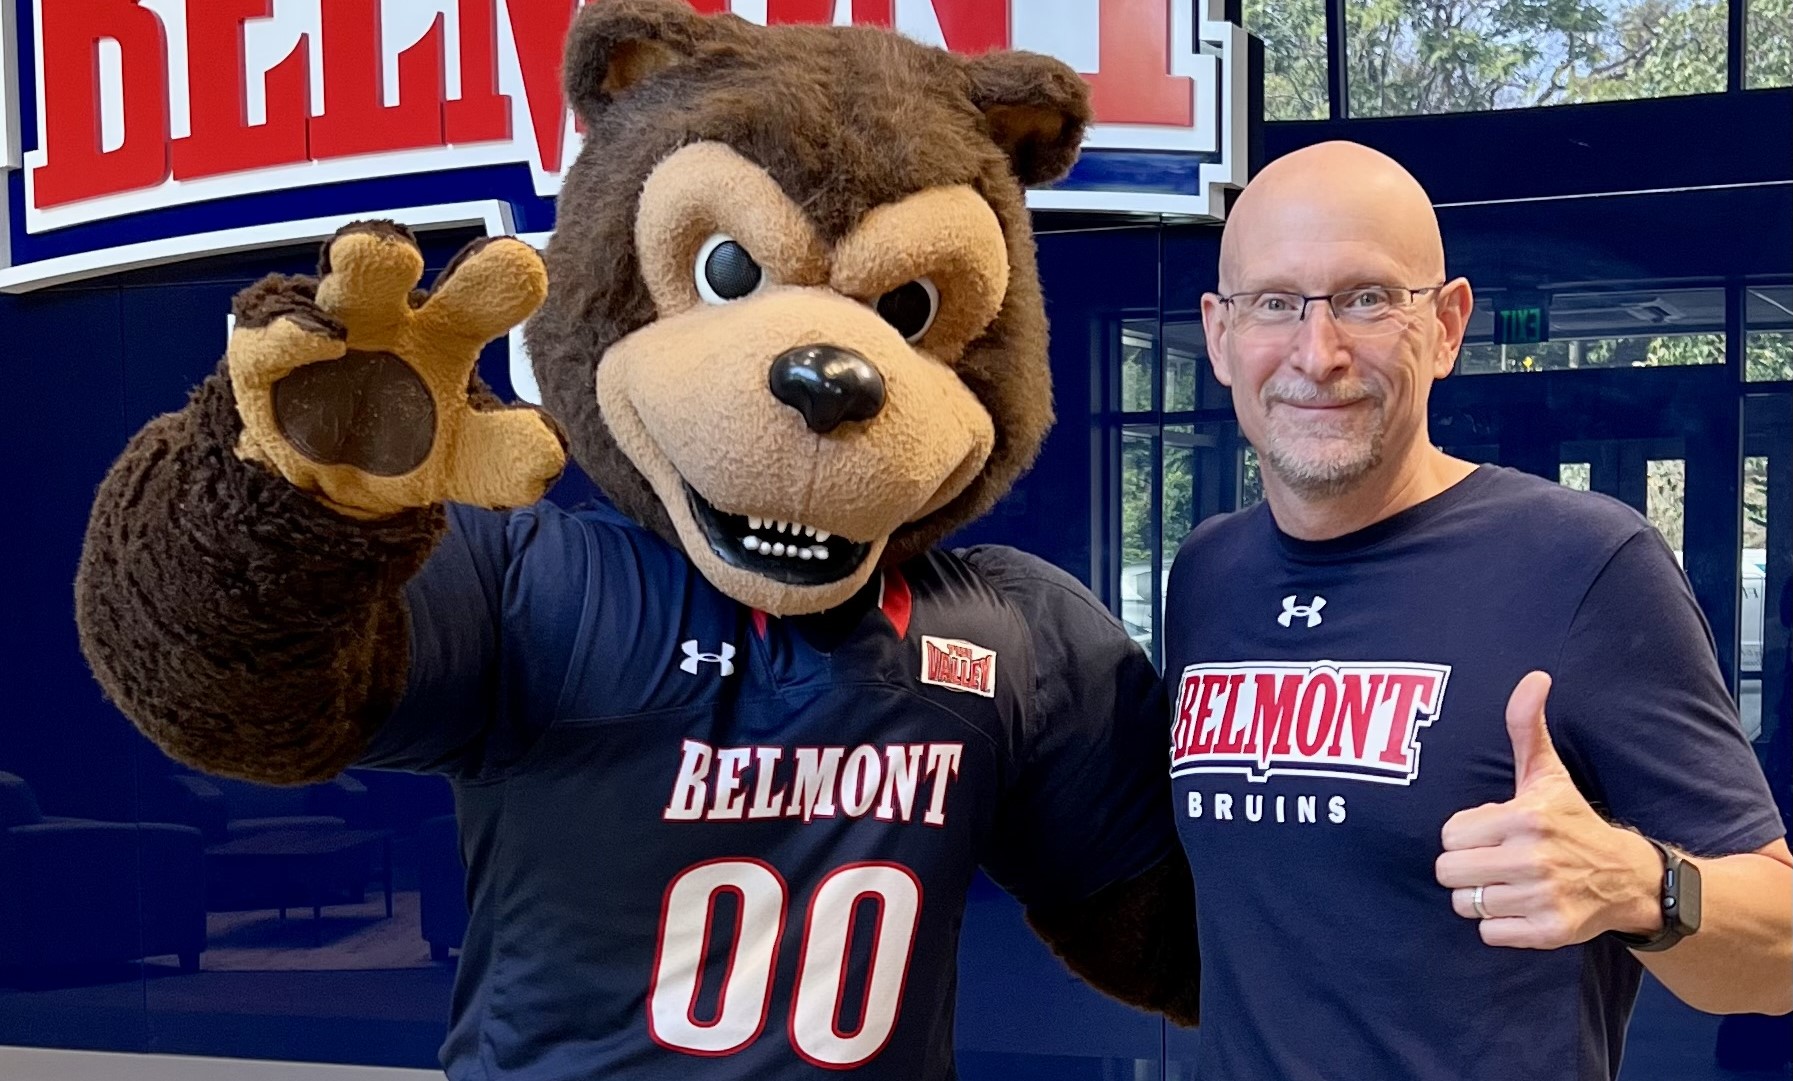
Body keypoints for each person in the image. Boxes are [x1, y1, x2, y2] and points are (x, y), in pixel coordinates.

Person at [1163, 139, 1791, 1080]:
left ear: (1447, 325)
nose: (1316, 351)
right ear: (1219, 334)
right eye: (1275, 303)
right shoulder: (1208, 573)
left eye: (1367, 299)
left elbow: (1781, 949)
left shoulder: (1586, 564)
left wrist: (1634, 882)